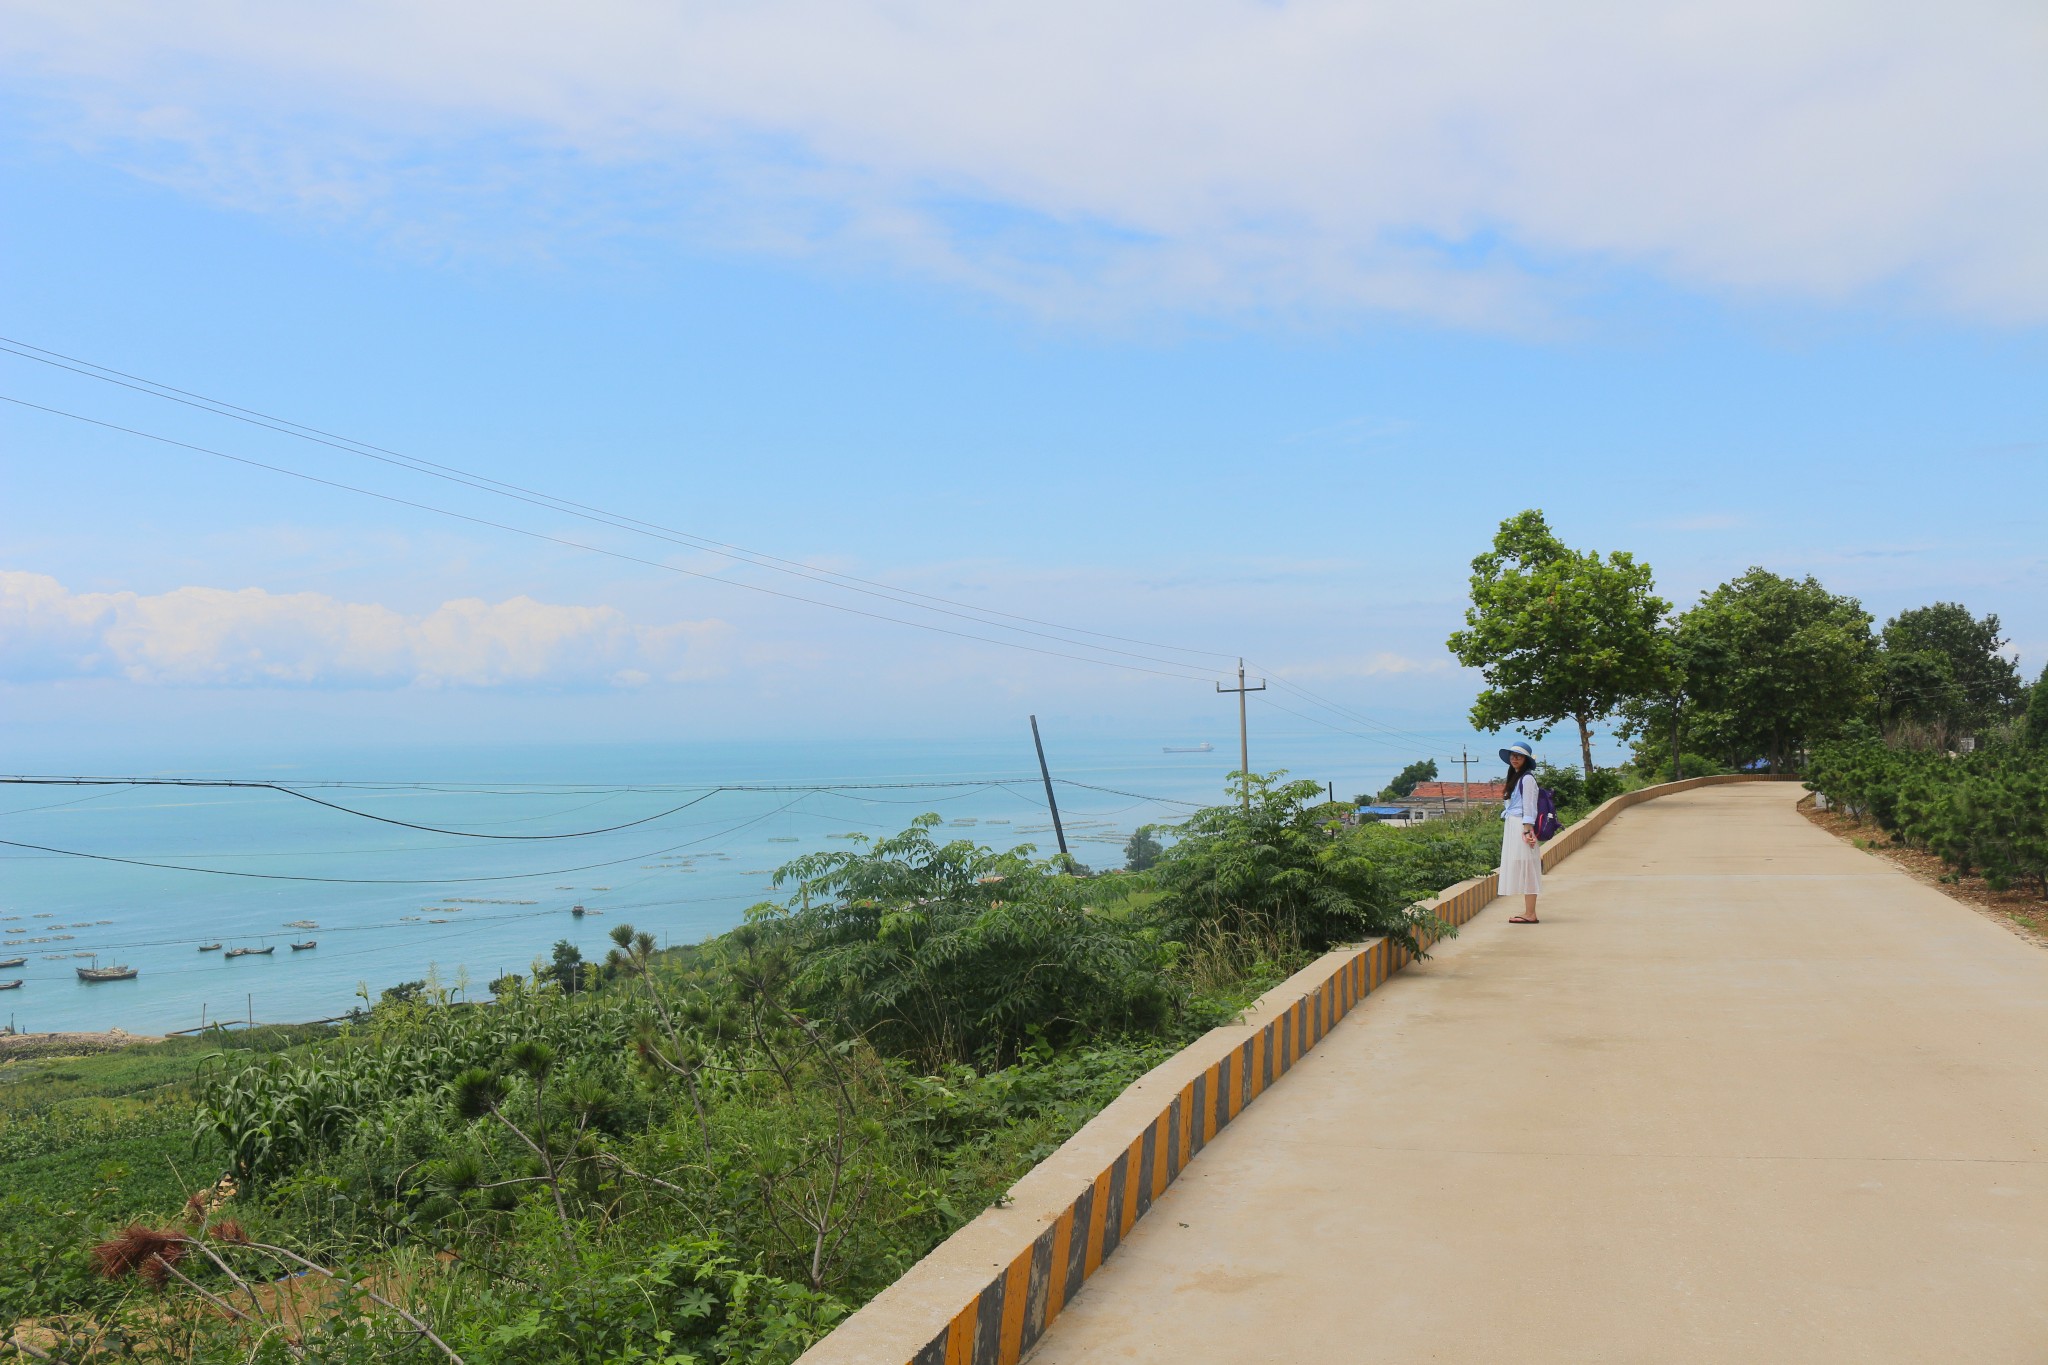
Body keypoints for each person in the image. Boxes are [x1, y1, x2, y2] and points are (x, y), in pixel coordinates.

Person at [1497, 741, 1542, 923]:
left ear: (1526, 760)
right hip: (1514, 825)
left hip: (1522, 826)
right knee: (1523, 866)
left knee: (1528, 867)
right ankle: (1528, 912)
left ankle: (1530, 913)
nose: (1515, 759)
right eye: (1513, 755)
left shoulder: (1527, 779)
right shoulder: (1516, 777)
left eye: (1519, 756)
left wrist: (1527, 830)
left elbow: (1529, 806)